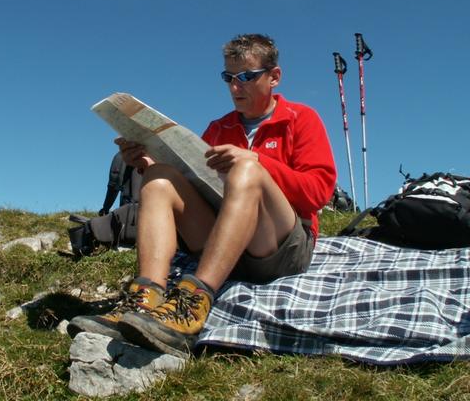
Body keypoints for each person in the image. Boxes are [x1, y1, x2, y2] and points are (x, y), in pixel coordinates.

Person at [68, 34, 337, 358]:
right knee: (158, 177)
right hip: (224, 244)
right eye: (229, 78)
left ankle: (193, 305)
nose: (236, 87)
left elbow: (319, 193)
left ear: (274, 76)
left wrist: (258, 162)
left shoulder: (301, 119)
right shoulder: (219, 127)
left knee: (247, 173)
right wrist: (145, 162)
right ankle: (144, 298)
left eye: (247, 77)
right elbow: (196, 183)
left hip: (280, 248)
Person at [98, 151, 142, 216]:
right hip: (155, 211)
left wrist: (105, 208)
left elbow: (114, 184)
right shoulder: (155, 154)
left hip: (130, 211)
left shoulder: (124, 154)